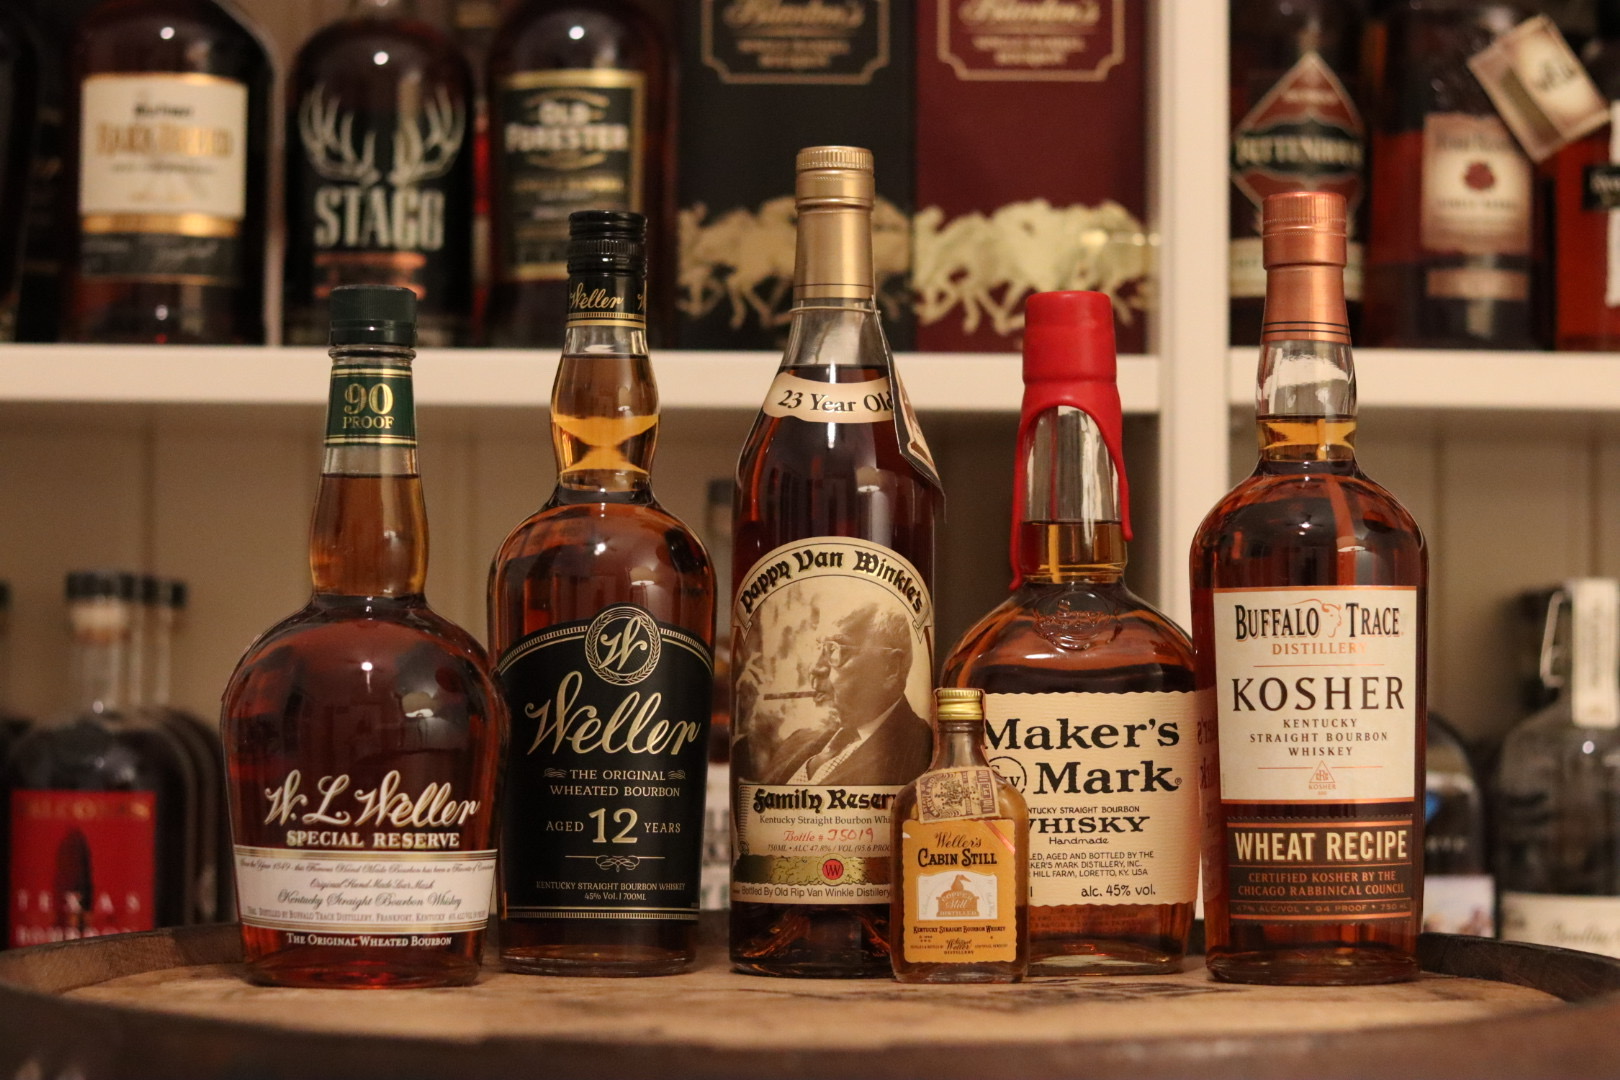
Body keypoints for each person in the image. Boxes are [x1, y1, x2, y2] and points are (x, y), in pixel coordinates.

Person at [754, 605, 931, 786]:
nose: (815, 668)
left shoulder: (920, 751)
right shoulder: (797, 741)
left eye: (835, 650)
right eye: (818, 647)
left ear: (890, 668)